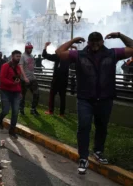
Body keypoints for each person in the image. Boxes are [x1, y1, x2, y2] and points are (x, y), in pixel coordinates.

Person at [56, 31, 133, 175]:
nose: (95, 44)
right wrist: (73, 40)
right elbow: (59, 52)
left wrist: (120, 35)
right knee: (84, 127)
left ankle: (98, 151)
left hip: (105, 98)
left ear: (102, 42)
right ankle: (83, 157)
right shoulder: (79, 55)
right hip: (85, 98)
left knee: (101, 127)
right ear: (88, 42)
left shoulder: (112, 53)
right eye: (93, 41)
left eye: (98, 41)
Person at [42, 42, 73, 116]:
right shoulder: (68, 57)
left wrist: (45, 46)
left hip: (56, 79)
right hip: (64, 80)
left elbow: (45, 55)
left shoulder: (58, 56)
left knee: (52, 95)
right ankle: (61, 113)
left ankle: (51, 111)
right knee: (62, 97)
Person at [0, 50, 23, 139]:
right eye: (17, 56)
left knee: (15, 112)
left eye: (19, 56)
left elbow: (19, 81)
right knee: (6, 110)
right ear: (12, 56)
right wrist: (12, 83)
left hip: (16, 92)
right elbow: (2, 78)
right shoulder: (5, 66)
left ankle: (12, 130)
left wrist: (20, 92)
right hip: (5, 91)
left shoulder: (18, 68)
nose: (18, 58)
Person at [19, 42, 40, 116]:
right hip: (24, 79)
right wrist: (24, 77)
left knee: (36, 93)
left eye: (31, 48)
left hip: (32, 78)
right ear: (26, 48)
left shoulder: (31, 56)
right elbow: (21, 67)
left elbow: (31, 67)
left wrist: (33, 75)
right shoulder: (22, 56)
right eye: (29, 48)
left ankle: (33, 109)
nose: (30, 49)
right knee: (22, 95)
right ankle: (21, 109)